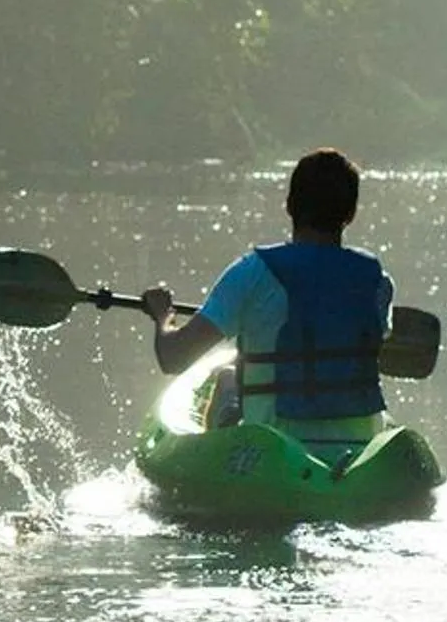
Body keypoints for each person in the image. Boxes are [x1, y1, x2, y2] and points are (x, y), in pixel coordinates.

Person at [139, 148, 395, 452]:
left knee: (227, 380)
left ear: (289, 206)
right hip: (360, 446)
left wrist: (162, 317)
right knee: (229, 377)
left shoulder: (254, 272)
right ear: (350, 214)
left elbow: (174, 357)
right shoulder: (376, 281)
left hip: (276, 447)